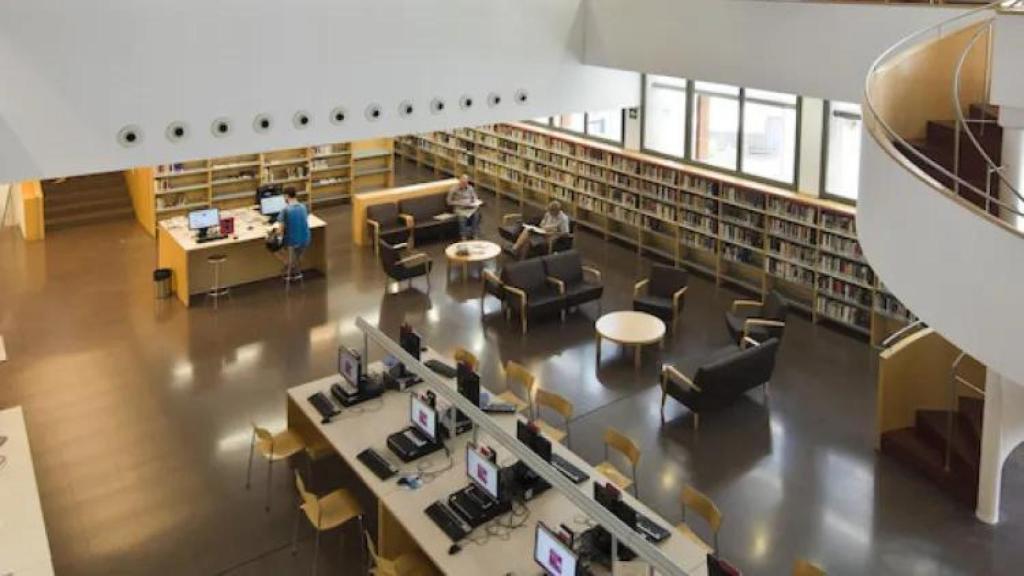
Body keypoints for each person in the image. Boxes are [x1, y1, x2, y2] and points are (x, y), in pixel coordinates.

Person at [274, 188, 311, 276]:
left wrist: (271, 233)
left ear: (286, 196)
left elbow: (279, 232)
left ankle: (289, 263)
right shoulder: (303, 206)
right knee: (297, 249)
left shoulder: (285, 210)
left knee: (272, 245)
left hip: (292, 241)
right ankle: (294, 264)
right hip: (306, 239)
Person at [447, 174, 482, 240]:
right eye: (462, 183)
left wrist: (474, 202)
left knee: (476, 215)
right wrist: (459, 203)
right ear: (459, 181)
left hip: (470, 208)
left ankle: (475, 234)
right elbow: (449, 201)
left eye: (466, 183)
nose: (464, 184)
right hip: (460, 208)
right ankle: (463, 236)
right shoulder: (454, 189)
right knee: (462, 218)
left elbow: (475, 197)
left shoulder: (470, 188)